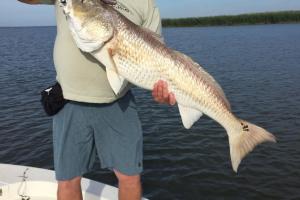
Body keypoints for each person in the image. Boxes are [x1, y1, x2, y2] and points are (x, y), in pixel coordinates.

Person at [18, 0, 176, 200]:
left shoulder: (145, 4)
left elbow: (156, 56)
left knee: (130, 177)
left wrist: (162, 90)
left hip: (119, 103)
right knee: (68, 180)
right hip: (69, 100)